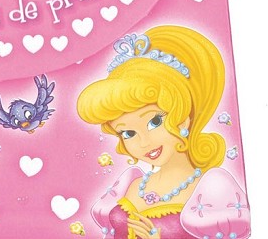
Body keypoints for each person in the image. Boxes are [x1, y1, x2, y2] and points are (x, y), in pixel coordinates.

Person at [77, 25, 251, 239]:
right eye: (128, 134)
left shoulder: (211, 191)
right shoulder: (131, 185)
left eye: (155, 121)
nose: (144, 142)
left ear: (183, 118)